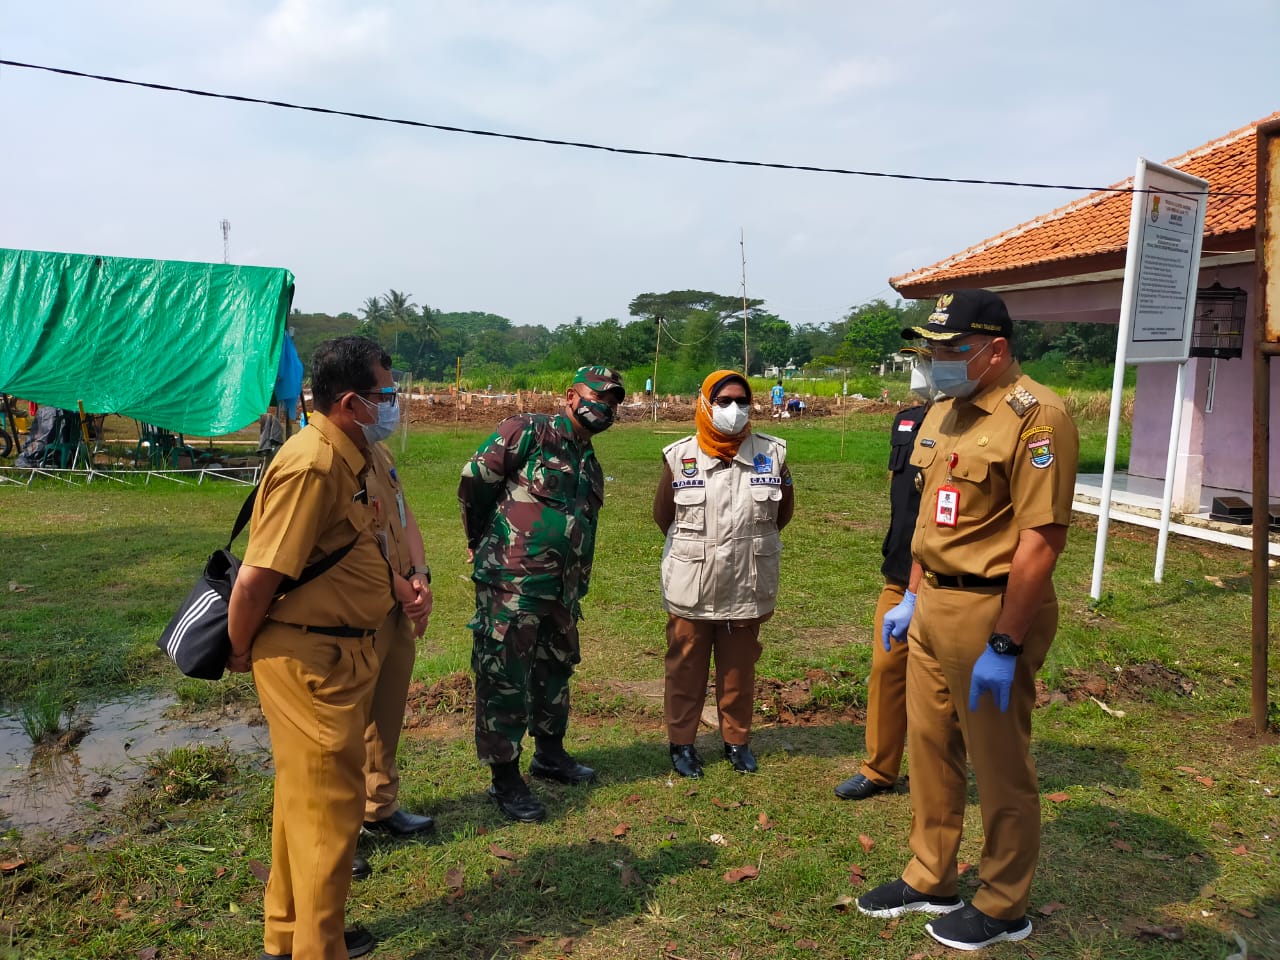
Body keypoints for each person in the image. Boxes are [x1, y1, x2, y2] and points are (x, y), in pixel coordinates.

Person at [856, 290, 1078, 951]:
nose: (937, 361)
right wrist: (913, 597)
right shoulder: (941, 413)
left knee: (998, 761)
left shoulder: (1037, 418)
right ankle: (931, 873)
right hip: (931, 607)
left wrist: (1006, 642)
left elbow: (1041, 542)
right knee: (929, 749)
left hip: (993, 609)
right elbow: (929, 517)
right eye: (933, 349)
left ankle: (1006, 902)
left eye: (951, 350)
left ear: (996, 350)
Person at [228, 336, 429, 960]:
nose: (394, 405)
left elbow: (363, 545)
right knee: (331, 815)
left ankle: (289, 934)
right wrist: (238, 649)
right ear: (350, 402)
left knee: (302, 805)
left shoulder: (355, 454)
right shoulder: (313, 464)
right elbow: (258, 576)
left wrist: (405, 585)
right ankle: (320, 948)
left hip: (338, 650)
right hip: (310, 659)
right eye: (385, 396)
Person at [459, 365, 625, 823]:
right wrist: (481, 543)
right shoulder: (527, 432)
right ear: (571, 396)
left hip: (562, 588)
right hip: (512, 583)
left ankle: (550, 754)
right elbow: (475, 482)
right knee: (504, 676)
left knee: (555, 670)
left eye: (614, 402)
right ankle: (505, 778)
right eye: (600, 396)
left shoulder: (589, 461)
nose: (607, 407)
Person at [653, 370, 794, 778]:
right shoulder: (680, 456)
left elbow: (781, 513)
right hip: (692, 585)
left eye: (742, 401)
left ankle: (737, 742)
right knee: (685, 668)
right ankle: (682, 744)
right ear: (705, 404)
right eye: (724, 401)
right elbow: (665, 516)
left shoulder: (773, 454)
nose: (734, 410)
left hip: (746, 583)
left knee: (739, 670)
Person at [834, 348, 933, 801]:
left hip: (945, 580)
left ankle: (942, 774)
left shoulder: (976, 428)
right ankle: (879, 769)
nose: (923, 370)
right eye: (920, 360)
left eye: (931, 360)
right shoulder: (908, 420)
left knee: (941, 688)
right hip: (899, 577)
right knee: (887, 670)